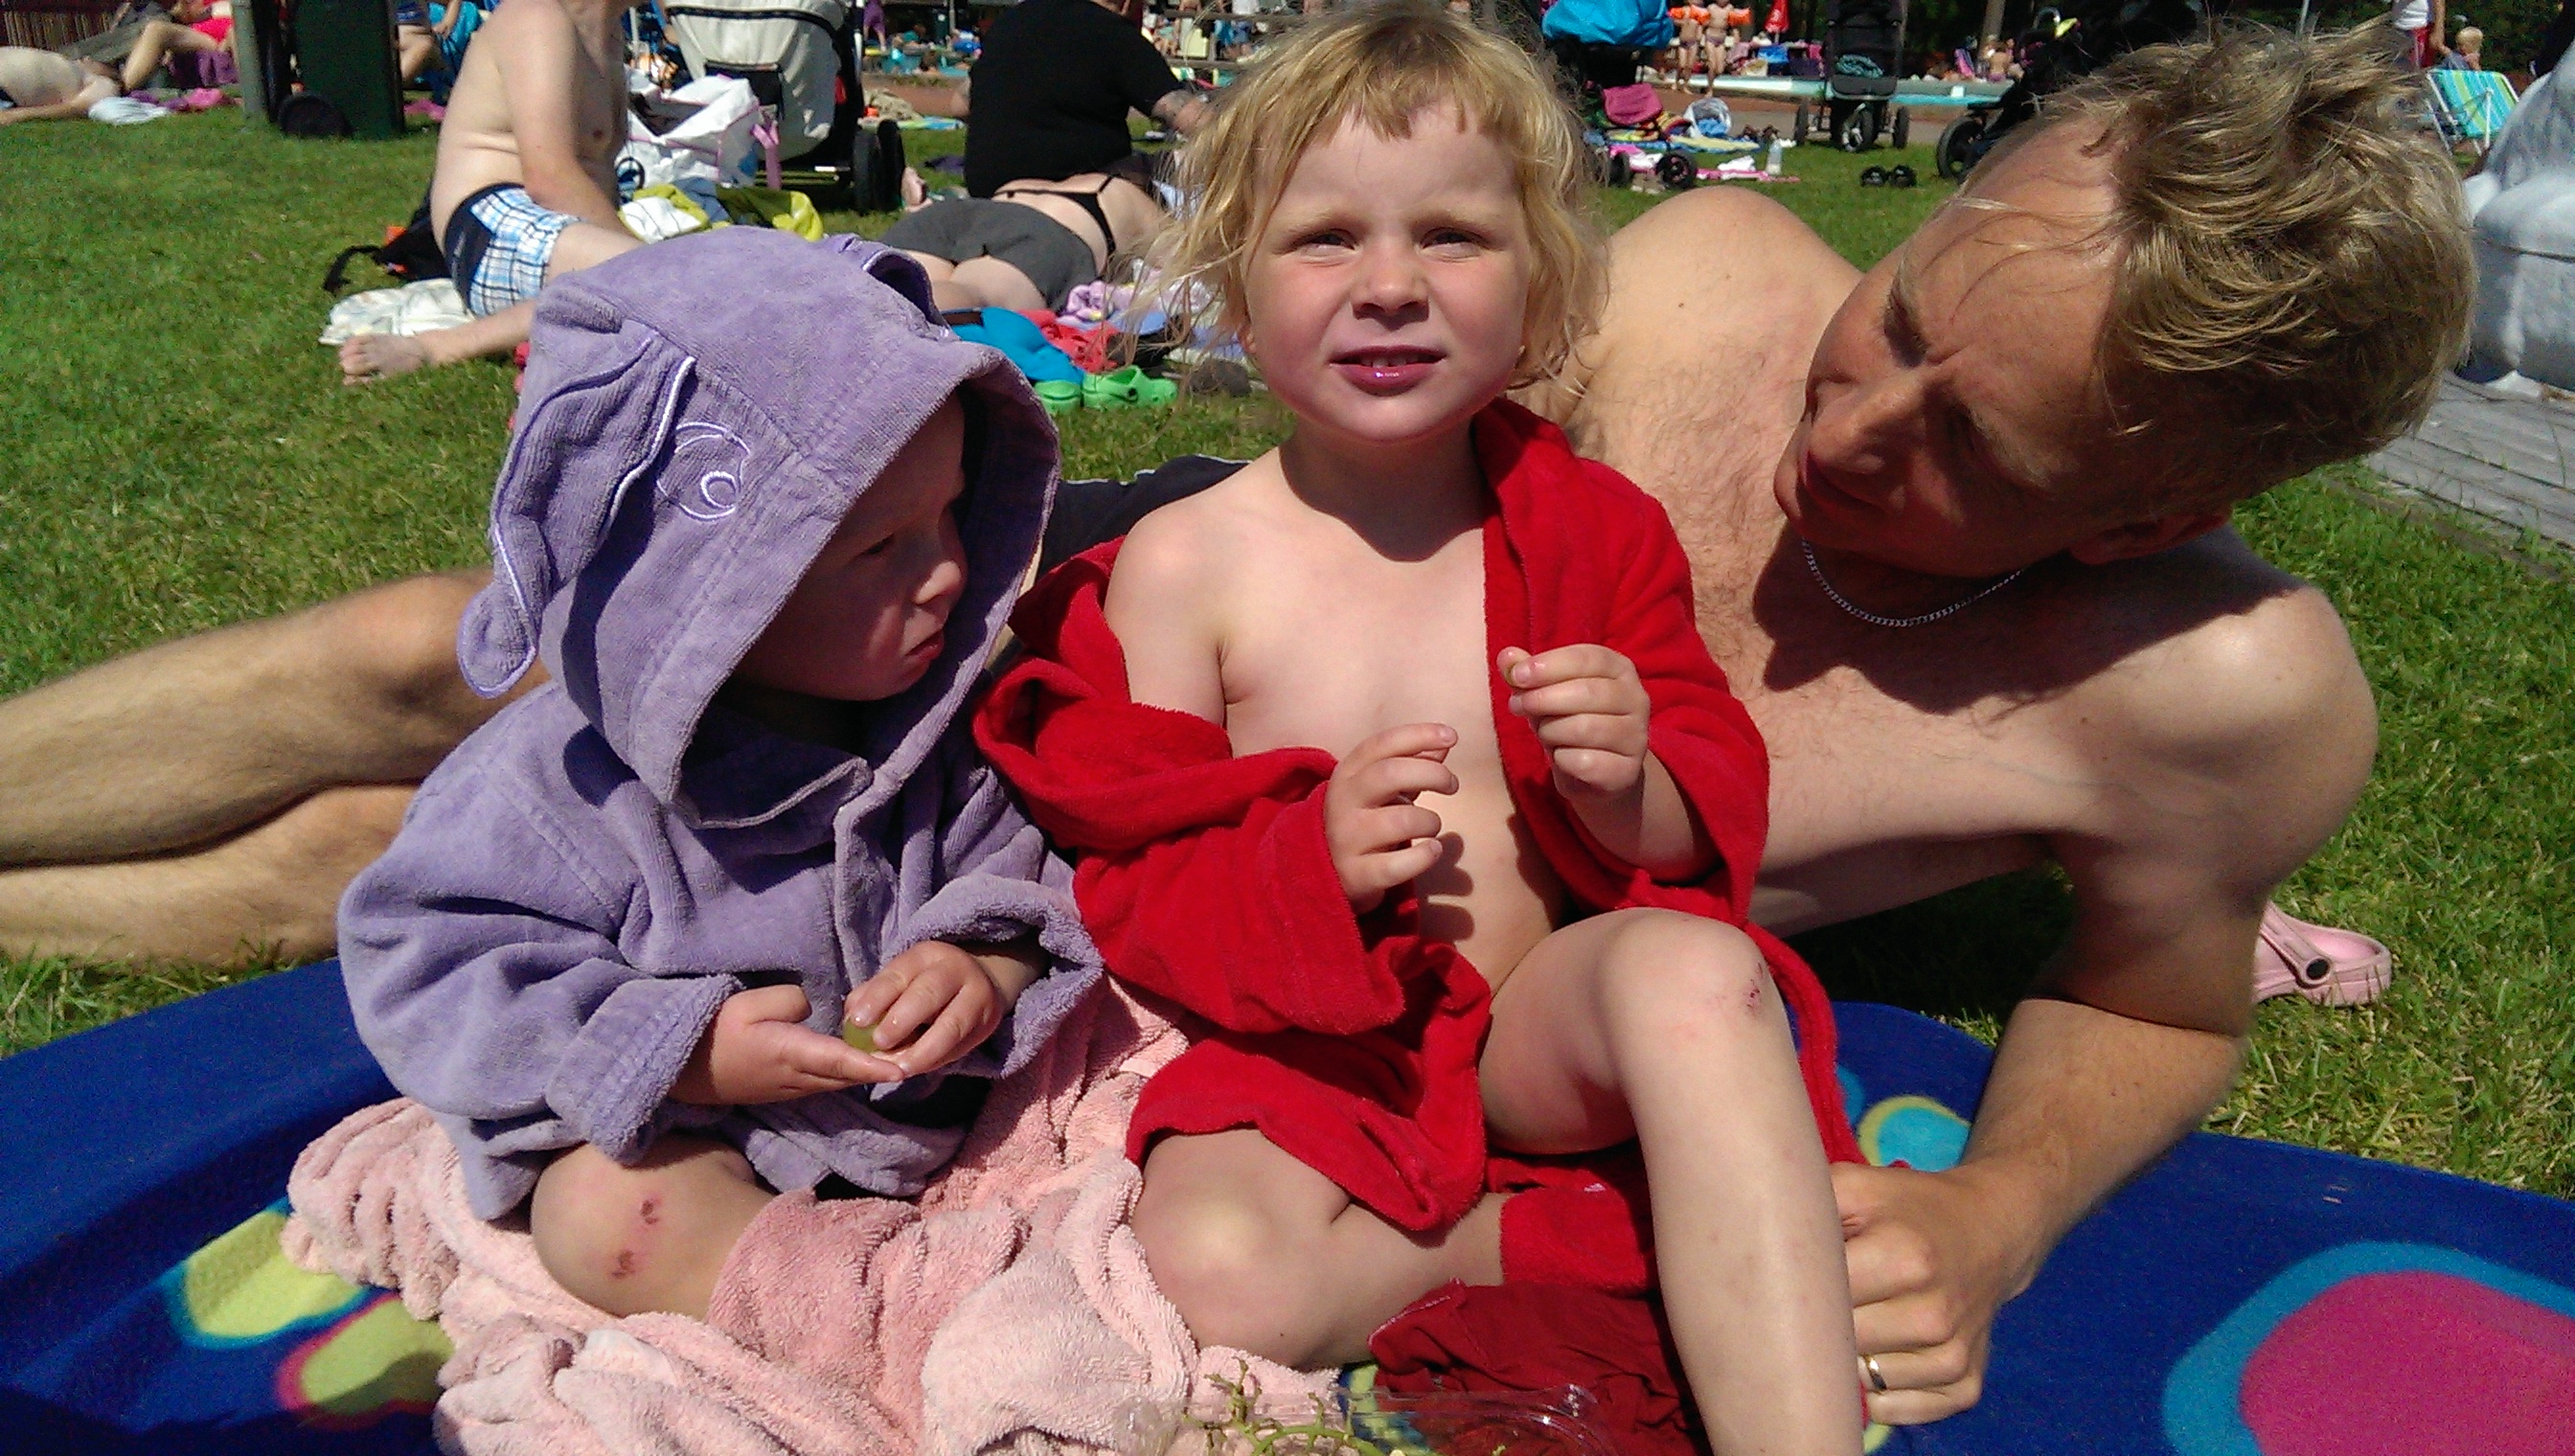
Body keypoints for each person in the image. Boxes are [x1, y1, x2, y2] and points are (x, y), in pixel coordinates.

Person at [0, 22, 2471, 1430]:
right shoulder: (1717, 270)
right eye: (1906, 309)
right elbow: (1369, 343)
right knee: (473, 672)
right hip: (1167, 619)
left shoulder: (2212, 702)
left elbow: (2154, 998)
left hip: (1380, 975)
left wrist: (1997, 1211)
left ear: (2165, 499)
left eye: (1968, 447)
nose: (1855, 419)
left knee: (406, 866)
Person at [975, 10, 1859, 1450]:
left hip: (1543, 1024)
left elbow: (1710, 798)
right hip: (1324, 1046)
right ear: (1235, 284)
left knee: (1700, 976)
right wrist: (1305, 863)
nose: (1390, 287)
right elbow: (1136, 869)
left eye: (1452, 235)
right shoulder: (1190, 566)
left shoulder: (1593, 526)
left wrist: (1630, 780)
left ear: (1540, 282)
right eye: (1325, 238)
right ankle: (1562, 1242)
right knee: (1215, 1270)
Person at [340, 227, 1103, 1316]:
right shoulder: (552, 791)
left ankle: (923, 1280)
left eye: (951, 513)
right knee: (603, 1215)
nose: (947, 571)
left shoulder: (946, 730)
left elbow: (1034, 872)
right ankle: (853, 1323)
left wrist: (984, 963)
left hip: (935, 1137)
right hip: (698, 1138)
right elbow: (427, 965)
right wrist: (677, 1052)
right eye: (879, 548)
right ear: (698, 594)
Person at [337, 0, 645, 383]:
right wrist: (649, 261)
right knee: (668, 283)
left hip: (560, 232)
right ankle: (437, 346)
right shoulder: (539, 18)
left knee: (681, 288)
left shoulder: (607, 32)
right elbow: (551, 179)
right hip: (488, 225)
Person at [959, 0, 1206, 199]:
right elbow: (1192, 118)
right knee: (1171, 166)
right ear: (1126, 4)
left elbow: (960, 103)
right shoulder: (1114, 34)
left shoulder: (1010, 22)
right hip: (1075, 197)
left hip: (989, 192)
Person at [880, 153, 1169, 314]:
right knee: (972, 297)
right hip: (1040, 233)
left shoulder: (1028, 183)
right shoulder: (1128, 195)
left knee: (885, 286)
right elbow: (1185, 259)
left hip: (962, 212)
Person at [0, 46, 120, 124]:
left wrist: (18, 115)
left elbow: (74, 109)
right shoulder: (67, 62)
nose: (88, 58)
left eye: (101, 62)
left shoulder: (104, 84)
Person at [2394, 0, 2447, 67]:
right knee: (2396, 67)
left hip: (2421, 27)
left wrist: (2438, 31)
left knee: (2417, 67)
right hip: (2399, 25)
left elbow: (2439, 2)